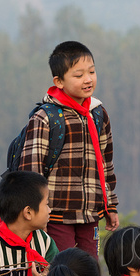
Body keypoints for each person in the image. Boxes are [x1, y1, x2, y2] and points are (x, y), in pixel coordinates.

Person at [19, 40, 119, 256]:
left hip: (91, 212)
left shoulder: (98, 113)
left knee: (89, 271)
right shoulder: (46, 117)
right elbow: (30, 171)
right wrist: (37, 214)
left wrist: (110, 206)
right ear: (59, 81)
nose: (88, 79)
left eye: (91, 72)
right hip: (56, 214)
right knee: (61, 270)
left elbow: (105, 164)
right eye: (78, 75)